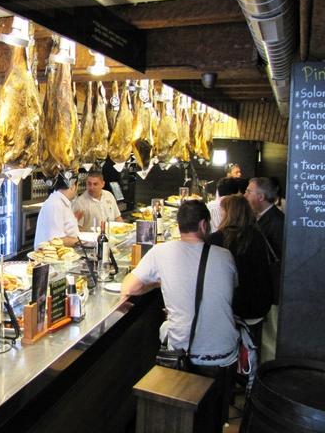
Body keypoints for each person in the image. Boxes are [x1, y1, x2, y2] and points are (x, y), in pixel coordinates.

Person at [121, 200, 238, 432]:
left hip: (183, 354)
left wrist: (159, 283)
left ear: (179, 225)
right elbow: (226, 292)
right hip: (223, 355)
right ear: (204, 225)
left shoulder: (161, 251)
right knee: (212, 417)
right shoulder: (225, 255)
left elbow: (128, 288)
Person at [209, 194, 273, 351]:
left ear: (228, 213)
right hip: (259, 304)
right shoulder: (258, 237)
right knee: (253, 346)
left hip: (230, 306)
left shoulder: (215, 240)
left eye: (222, 211)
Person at [245, 177, 284, 363]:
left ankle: (269, 372)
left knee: (271, 337)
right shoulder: (264, 218)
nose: (245, 195)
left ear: (260, 196)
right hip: (265, 289)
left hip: (273, 291)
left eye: (248, 192)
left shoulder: (277, 222)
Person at [34, 176, 80, 249]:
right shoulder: (55, 204)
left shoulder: (62, 202)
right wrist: (83, 241)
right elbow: (56, 241)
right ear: (73, 186)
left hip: (64, 254)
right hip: (51, 255)